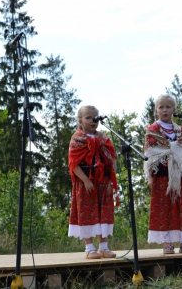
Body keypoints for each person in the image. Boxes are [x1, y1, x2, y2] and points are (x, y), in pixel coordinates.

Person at [144, 93, 182, 254]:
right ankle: (167, 243)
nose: (165, 110)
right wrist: (149, 177)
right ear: (156, 110)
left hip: (179, 176)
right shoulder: (152, 130)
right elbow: (150, 155)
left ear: (174, 109)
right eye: (161, 107)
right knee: (164, 209)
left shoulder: (180, 130)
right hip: (161, 176)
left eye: (168, 107)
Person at [68, 105, 118, 259]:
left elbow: (112, 160)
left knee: (105, 213)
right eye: (88, 117)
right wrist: (86, 180)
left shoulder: (104, 138)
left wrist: (111, 181)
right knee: (87, 213)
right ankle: (89, 248)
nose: (93, 120)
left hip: (103, 181)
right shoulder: (77, 140)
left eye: (95, 117)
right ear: (80, 121)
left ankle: (104, 247)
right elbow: (73, 164)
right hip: (85, 183)